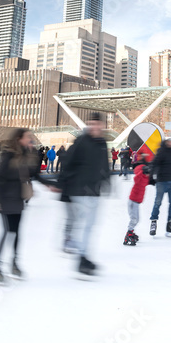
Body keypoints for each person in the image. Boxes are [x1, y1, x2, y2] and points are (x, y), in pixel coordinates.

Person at [0, 128, 55, 283]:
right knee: (7, 232)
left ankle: (14, 263)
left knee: (17, 232)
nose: (30, 139)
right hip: (6, 198)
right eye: (28, 137)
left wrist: (49, 184)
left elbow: (34, 174)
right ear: (19, 138)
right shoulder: (9, 155)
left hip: (18, 199)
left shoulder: (27, 155)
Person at [58, 112, 110, 277]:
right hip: (79, 189)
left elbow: (104, 165)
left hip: (94, 191)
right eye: (91, 124)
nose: (94, 127)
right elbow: (67, 163)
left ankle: (83, 257)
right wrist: (62, 187)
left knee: (90, 226)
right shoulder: (81, 141)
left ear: (102, 125)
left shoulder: (102, 143)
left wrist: (107, 181)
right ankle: (82, 258)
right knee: (83, 224)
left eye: (97, 124)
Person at [124, 152, 151, 246]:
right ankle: (128, 233)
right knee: (134, 219)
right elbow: (136, 179)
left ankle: (130, 231)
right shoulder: (140, 177)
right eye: (147, 173)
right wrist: (142, 172)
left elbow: (149, 181)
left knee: (136, 219)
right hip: (133, 201)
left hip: (136, 201)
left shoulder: (145, 179)